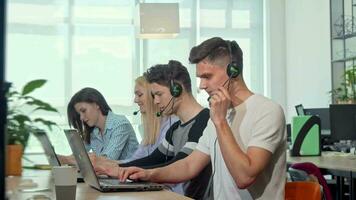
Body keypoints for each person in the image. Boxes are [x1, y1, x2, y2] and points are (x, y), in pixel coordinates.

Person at [116, 37, 287, 200]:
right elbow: (189, 165)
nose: (202, 85)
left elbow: (244, 177)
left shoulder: (267, 111)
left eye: (207, 76)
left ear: (232, 71)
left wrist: (220, 122)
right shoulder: (218, 113)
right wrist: (149, 174)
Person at [94, 60, 211, 199]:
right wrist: (118, 170)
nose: (155, 101)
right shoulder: (176, 128)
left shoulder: (204, 120)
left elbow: (181, 163)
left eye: (159, 94)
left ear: (177, 90)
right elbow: (153, 159)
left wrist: (131, 172)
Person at [59, 87, 139, 164]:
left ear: (96, 104)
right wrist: (61, 158)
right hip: (109, 176)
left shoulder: (120, 124)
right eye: (79, 114)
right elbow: (78, 155)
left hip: (131, 177)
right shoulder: (93, 131)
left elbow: (107, 160)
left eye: (83, 111)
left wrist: (66, 160)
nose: (82, 118)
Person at [122, 76, 178, 162]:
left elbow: (153, 161)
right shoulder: (152, 127)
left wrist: (114, 168)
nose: (135, 100)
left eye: (139, 95)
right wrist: (110, 165)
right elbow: (135, 159)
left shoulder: (172, 123)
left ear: (153, 96)